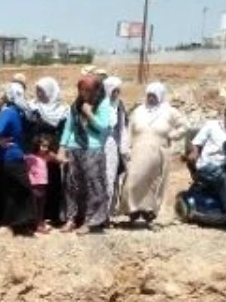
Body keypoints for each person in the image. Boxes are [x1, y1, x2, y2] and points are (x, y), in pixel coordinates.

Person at [118, 82, 187, 226]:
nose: (150, 98)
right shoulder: (139, 110)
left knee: (154, 182)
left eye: (154, 95)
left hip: (159, 152)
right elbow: (129, 130)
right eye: (149, 95)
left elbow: (184, 126)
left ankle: (149, 211)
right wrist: (126, 148)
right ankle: (133, 209)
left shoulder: (169, 111)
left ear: (160, 96)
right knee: (133, 179)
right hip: (138, 151)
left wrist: (173, 135)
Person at [60, 75, 113, 233]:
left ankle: (91, 221)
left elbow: (103, 127)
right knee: (71, 184)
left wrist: (90, 114)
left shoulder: (102, 103)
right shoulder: (76, 104)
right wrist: (62, 148)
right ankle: (72, 218)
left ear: (96, 90)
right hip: (74, 148)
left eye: (88, 90)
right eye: (81, 90)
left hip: (93, 149)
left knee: (93, 186)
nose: (84, 93)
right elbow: (69, 127)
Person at [186, 102, 226, 216]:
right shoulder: (212, 126)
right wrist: (194, 152)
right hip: (207, 165)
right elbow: (196, 143)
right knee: (220, 174)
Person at [0, 83, 38, 235]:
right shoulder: (22, 112)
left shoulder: (8, 112)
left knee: (11, 191)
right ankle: (20, 223)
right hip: (16, 155)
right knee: (20, 189)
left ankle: (11, 224)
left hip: (8, 156)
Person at [30, 77, 69, 227]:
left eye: (42, 91)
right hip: (37, 152)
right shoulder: (33, 108)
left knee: (53, 181)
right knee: (37, 183)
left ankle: (53, 214)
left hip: (52, 152)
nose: (39, 93)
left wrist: (58, 152)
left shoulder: (62, 111)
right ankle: (37, 215)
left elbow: (63, 133)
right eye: (37, 90)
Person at [102, 76, 131, 214]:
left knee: (111, 177)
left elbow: (123, 128)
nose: (116, 94)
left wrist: (124, 148)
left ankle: (108, 212)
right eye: (113, 90)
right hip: (99, 145)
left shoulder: (120, 105)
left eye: (118, 91)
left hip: (114, 146)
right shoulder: (99, 104)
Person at [26, 135, 58, 234]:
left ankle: (39, 223)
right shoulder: (30, 157)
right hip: (33, 185)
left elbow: (56, 158)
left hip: (43, 185)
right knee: (34, 206)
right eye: (43, 146)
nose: (45, 148)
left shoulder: (45, 157)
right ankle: (34, 225)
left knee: (41, 206)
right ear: (37, 145)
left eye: (47, 146)